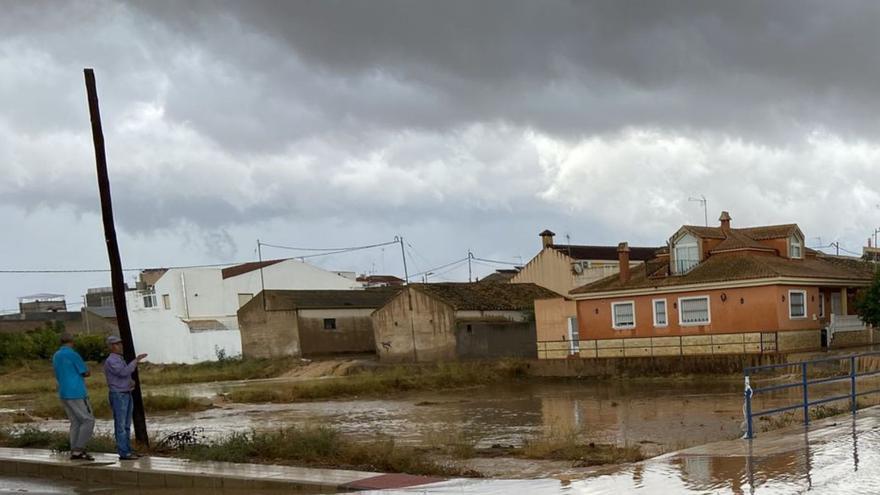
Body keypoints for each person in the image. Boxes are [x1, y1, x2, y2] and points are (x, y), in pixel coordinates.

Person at [51, 332, 95, 461]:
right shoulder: (73, 354)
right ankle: (79, 449)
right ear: (72, 342)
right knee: (88, 420)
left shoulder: (56, 355)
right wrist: (89, 369)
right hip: (77, 391)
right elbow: (85, 372)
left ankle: (74, 449)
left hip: (63, 391)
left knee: (75, 422)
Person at [103, 335, 147, 461]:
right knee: (121, 425)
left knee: (127, 424)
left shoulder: (119, 359)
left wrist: (130, 382)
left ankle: (127, 449)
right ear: (111, 347)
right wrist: (136, 360)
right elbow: (123, 372)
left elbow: (123, 375)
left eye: (120, 343)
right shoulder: (112, 360)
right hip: (118, 395)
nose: (120, 346)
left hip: (125, 393)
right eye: (117, 344)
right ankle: (123, 452)